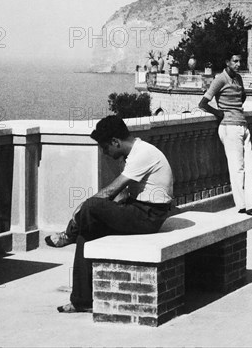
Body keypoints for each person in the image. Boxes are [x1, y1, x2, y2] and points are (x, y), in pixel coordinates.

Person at [46, 115, 175, 313]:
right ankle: (81, 301)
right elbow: (122, 194)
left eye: (106, 147)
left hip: (149, 216)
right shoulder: (135, 152)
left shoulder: (143, 154)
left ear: (115, 141)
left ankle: (68, 235)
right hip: (138, 210)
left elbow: (110, 191)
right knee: (85, 235)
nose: (105, 153)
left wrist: (82, 208)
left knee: (90, 206)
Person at [198, 51, 252, 216]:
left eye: (240, 61)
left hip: (242, 124)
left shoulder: (238, 79)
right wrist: (220, 113)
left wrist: (235, 108)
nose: (238, 65)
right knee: (237, 168)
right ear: (227, 62)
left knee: (251, 167)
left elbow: (242, 96)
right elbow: (202, 103)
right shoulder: (220, 79)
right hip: (229, 127)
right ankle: (242, 205)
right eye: (235, 61)